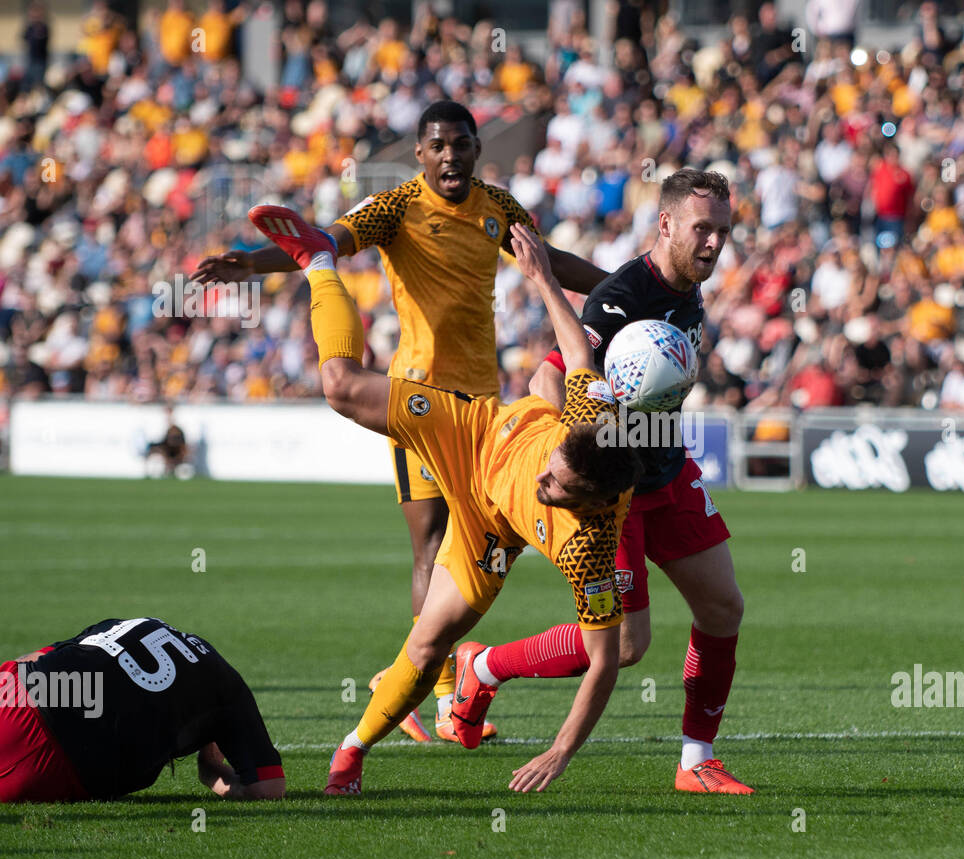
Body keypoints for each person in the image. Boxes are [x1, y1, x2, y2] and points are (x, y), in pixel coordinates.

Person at [192, 101, 607, 744]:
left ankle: (430, 674)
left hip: (485, 408)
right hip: (419, 400)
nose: (451, 156)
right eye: (438, 146)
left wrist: (619, 288)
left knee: (481, 544)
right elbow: (323, 243)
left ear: (475, 150)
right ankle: (441, 695)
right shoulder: (396, 208)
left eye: (462, 145)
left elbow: (548, 260)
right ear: (419, 153)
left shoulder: (499, 208)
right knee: (432, 541)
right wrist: (252, 261)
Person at [244, 203, 642, 794]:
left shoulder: (591, 550)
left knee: (430, 647)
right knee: (340, 387)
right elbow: (578, 355)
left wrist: (560, 751)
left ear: (591, 504)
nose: (544, 482)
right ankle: (321, 265)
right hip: (475, 431)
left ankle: (351, 750)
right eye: (552, 465)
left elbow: (606, 660)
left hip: (491, 529)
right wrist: (542, 279)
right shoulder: (592, 419)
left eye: (558, 489)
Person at [473, 168, 752, 795]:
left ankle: (695, 759)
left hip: (669, 468)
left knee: (723, 606)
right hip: (619, 492)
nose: (713, 244)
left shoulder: (688, 287)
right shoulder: (620, 301)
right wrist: (567, 446)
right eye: (701, 229)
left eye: (723, 233)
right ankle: (485, 666)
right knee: (626, 647)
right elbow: (552, 375)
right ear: (667, 224)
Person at [0, 617, 284, 802]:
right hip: (70, 765)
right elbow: (267, 789)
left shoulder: (132, 623)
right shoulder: (229, 688)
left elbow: (32, 658)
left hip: (21, 693)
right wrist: (209, 769)